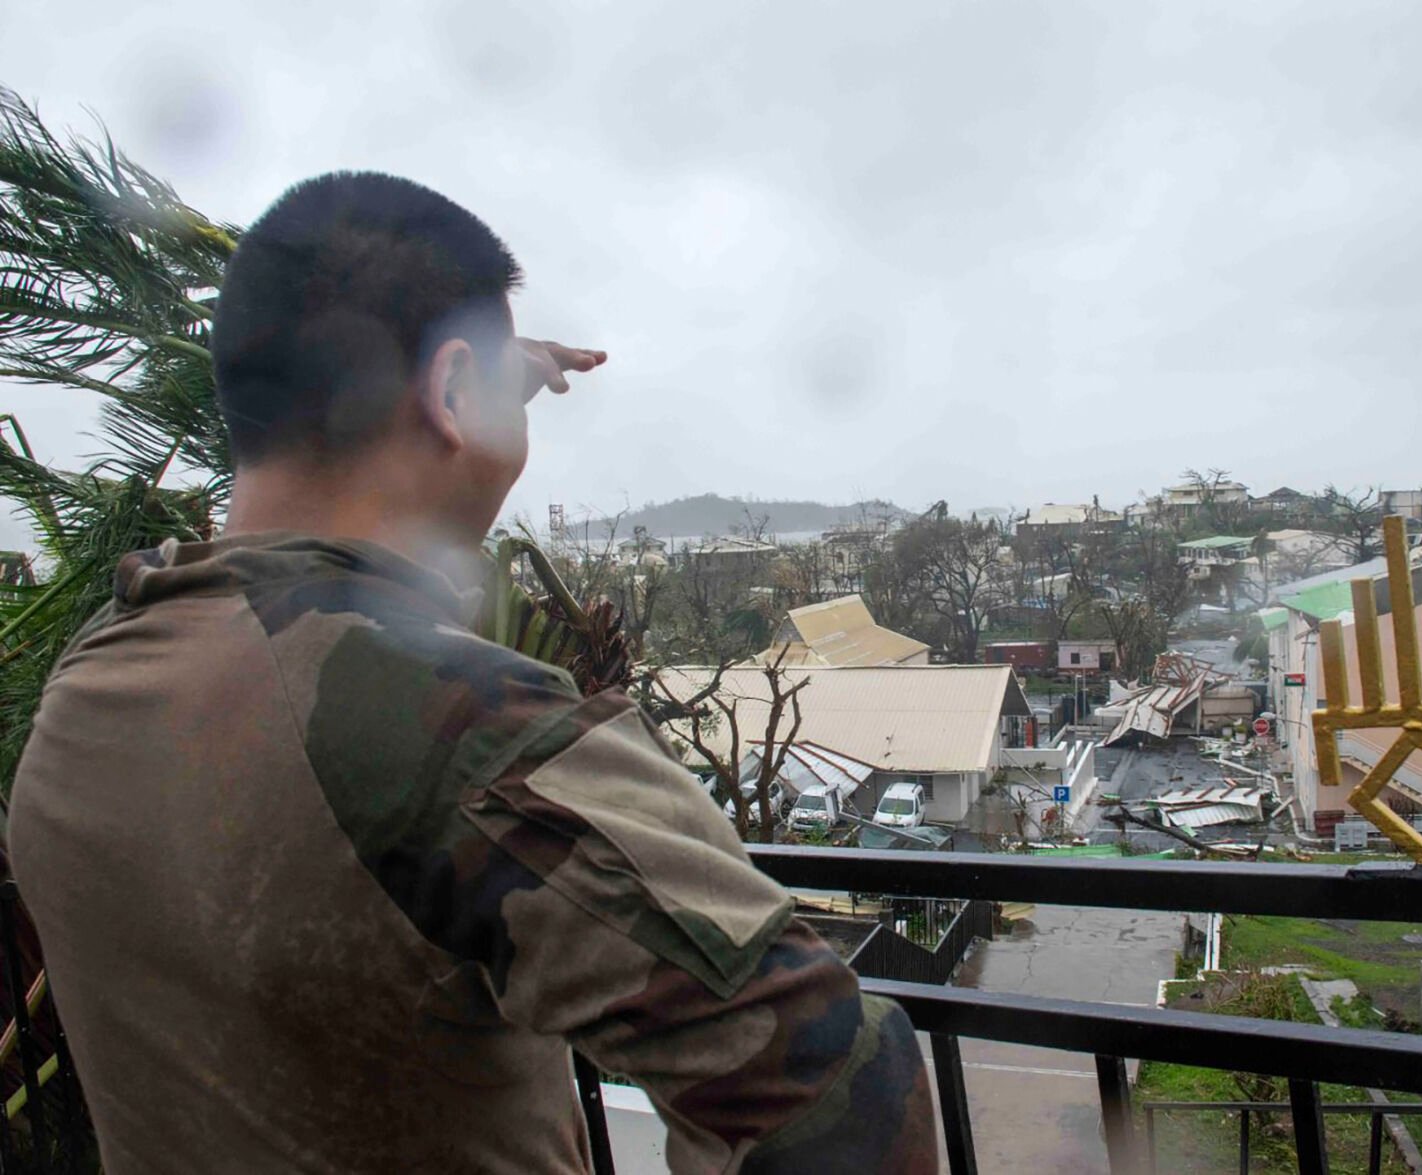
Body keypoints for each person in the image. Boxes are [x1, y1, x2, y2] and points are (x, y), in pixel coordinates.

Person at [7, 172, 937, 1173]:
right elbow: (834, 1087)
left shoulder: (98, 669)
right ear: (452, 395)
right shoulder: (452, 723)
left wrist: (475, 376)